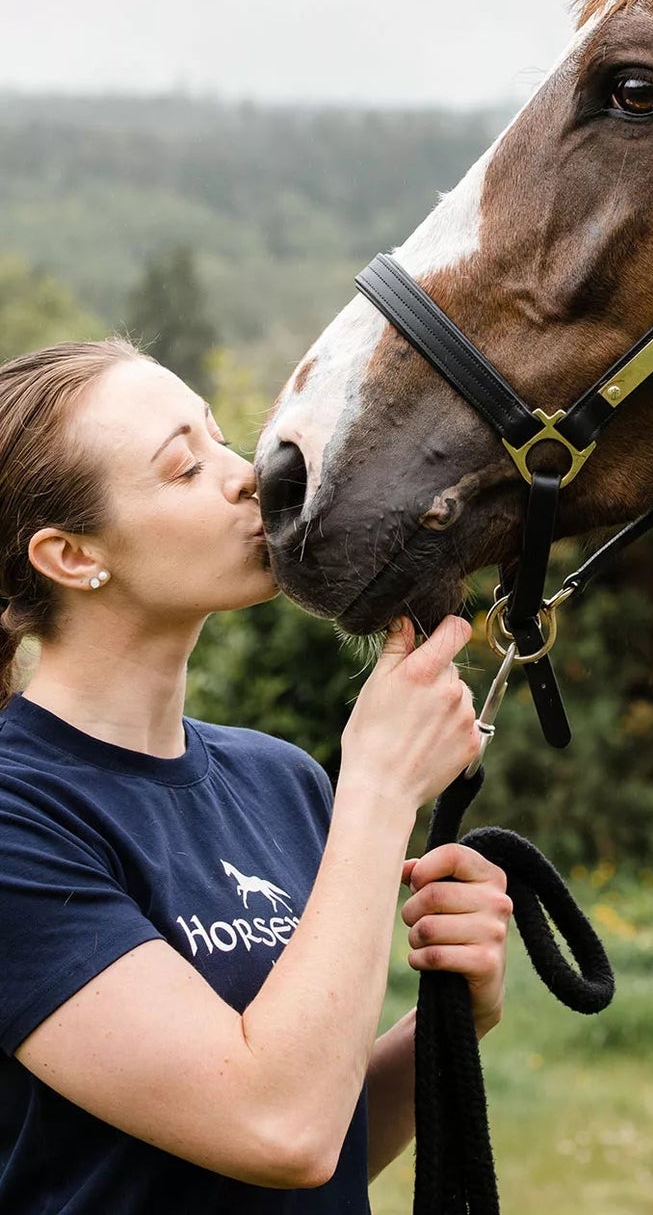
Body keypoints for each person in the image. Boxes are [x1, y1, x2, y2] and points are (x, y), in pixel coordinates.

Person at [0, 337, 511, 1210]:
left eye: (219, 437)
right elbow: (276, 1128)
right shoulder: (20, 819)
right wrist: (380, 786)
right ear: (73, 556)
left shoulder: (278, 779)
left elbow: (322, 1139)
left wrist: (449, 1019)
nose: (245, 476)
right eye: (183, 467)